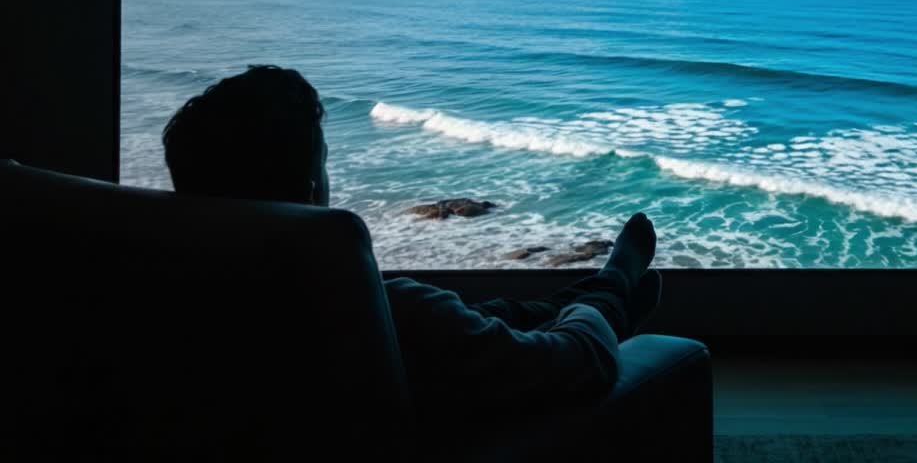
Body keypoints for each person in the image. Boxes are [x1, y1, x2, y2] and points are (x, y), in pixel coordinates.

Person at [161, 64, 662, 422]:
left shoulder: (160, 292)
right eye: (324, 161)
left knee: (489, 315)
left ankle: (573, 296)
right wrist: (605, 301)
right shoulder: (370, 309)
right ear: (312, 188)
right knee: (586, 323)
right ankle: (609, 286)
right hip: (460, 434)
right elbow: (578, 362)